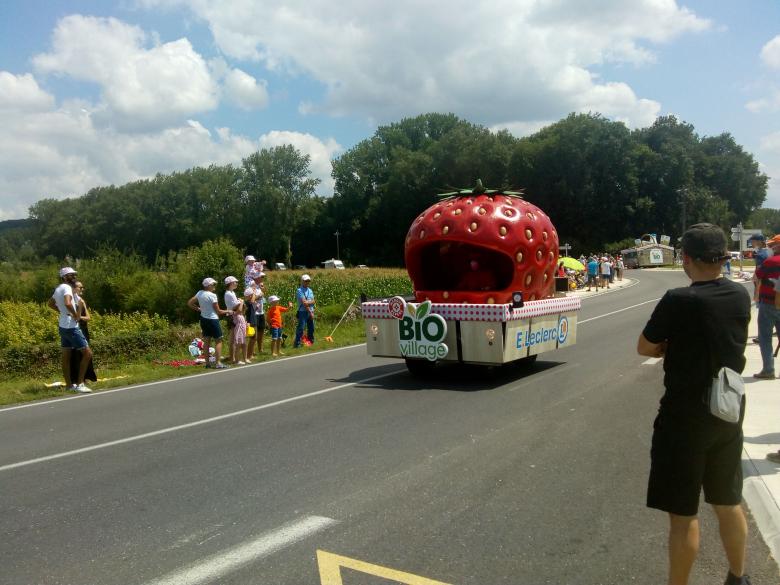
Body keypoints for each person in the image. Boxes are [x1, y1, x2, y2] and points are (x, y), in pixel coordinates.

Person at [637, 223, 752, 585]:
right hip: (727, 411)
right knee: (727, 501)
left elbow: (645, 345)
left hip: (685, 418)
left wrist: (671, 345)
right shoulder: (739, 295)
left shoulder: (680, 300)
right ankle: (738, 577)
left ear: (686, 259)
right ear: (721, 257)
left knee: (683, 516)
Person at [47, 267, 93, 393]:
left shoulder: (58, 288)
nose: (73, 277)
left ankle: (69, 385)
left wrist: (63, 312)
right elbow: (68, 303)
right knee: (88, 353)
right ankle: (80, 384)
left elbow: (50, 304)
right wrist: (76, 315)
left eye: (74, 275)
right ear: (64, 277)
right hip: (71, 326)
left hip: (63, 325)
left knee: (66, 356)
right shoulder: (67, 288)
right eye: (70, 275)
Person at [187, 277, 233, 369]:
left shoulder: (200, 293)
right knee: (218, 340)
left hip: (203, 319)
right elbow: (218, 311)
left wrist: (198, 309)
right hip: (213, 320)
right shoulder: (213, 296)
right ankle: (218, 363)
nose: (214, 286)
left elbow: (190, 303)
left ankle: (207, 364)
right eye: (213, 284)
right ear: (208, 286)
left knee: (207, 341)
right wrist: (229, 311)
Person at [753, 234, 780, 380]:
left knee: (765, 337)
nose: (770, 247)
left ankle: (768, 370)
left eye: (773, 245)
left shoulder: (770, 262)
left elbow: (758, 275)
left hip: (769, 304)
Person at [69, 281, 97, 383]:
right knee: (75, 354)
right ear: (74, 288)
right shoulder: (70, 301)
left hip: (83, 329)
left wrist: (77, 316)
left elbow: (88, 317)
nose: (82, 289)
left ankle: (87, 377)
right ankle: (77, 379)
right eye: (80, 288)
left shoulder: (81, 301)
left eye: (82, 287)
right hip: (74, 329)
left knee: (86, 353)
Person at [224, 276, 247, 365]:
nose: (236, 283)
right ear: (230, 283)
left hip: (232, 315)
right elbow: (237, 308)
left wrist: (240, 303)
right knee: (235, 339)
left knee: (233, 338)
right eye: (235, 282)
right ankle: (234, 358)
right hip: (234, 316)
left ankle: (232, 358)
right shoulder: (229, 294)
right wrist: (241, 302)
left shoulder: (231, 292)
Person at [246, 272, 266, 359]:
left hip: (261, 312)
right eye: (261, 277)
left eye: (263, 277)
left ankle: (260, 349)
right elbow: (250, 299)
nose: (262, 279)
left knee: (261, 330)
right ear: (256, 278)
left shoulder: (259, 287)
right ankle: (252, 352)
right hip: (254, 313)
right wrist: (259, 295)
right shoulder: (250, 287)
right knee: (254, 333)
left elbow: (264, 294)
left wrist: (263, 290)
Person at [294, 274, 315, 348]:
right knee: (301, 327)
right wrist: (310, 312)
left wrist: (308, 302)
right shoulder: (299, 290)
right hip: (303, 312)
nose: (307, 282)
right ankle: (297, 343)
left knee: (311, 327)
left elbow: (313, 301)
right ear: (302, 281)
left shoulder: (310, 290)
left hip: (311, 311)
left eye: (308, 281)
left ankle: (311, 341)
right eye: (306, 281)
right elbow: (304, 303)